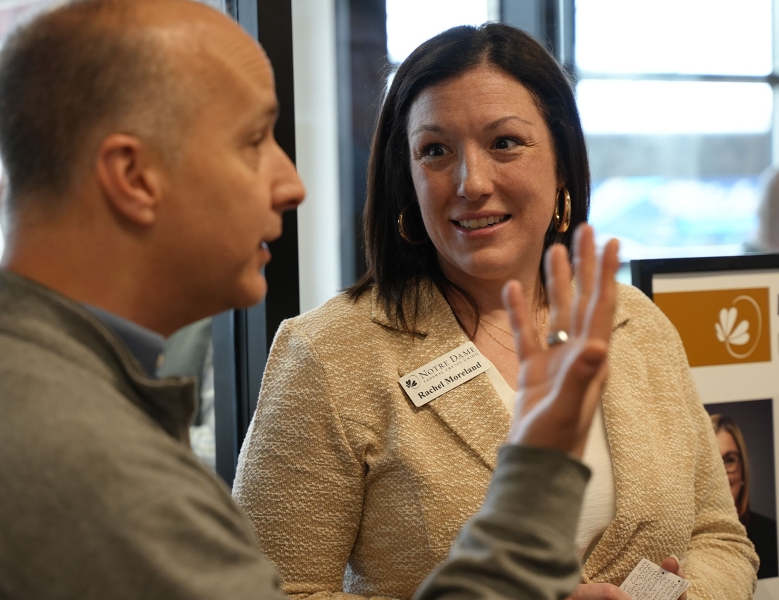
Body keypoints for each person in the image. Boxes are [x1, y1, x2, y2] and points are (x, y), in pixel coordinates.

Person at [0, 1, 623, 598]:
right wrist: (540, 468)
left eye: (505, 143)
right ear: (133, 177)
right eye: (255, 141)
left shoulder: (38, 389)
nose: (292, 184)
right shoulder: (96, 469)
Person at [235, 23, 758, 600]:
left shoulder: (635, 324)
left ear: (561, 162)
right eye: (435, 151)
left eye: (505, 142)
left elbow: (720, 536)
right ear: (406, 181)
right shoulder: (330, 355)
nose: (471, 182)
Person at [711, 414, 779, 579]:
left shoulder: (771, 535)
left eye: (729, 460)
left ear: (743, 468)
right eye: (712, 461)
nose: (721, 472)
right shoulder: (682, 538)